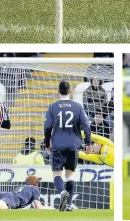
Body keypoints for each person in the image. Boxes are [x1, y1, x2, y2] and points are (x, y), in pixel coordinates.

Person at [43, 81, 92, 212]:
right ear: (71, 91)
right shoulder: (78, 106)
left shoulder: (53, 107)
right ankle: (69, 204)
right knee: (70, 175)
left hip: (58, 144)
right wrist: (88, 143)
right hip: (73, 145)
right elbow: (86, 126)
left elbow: (47, 127)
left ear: (58, 91)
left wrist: (47, 144)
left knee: (56, 173)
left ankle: (62, 192)